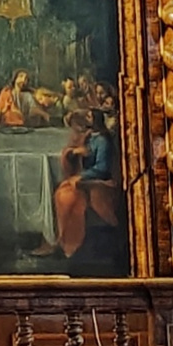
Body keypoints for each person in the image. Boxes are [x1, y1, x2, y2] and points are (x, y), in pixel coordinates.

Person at [33, 108, 121, 260]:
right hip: (85, 180)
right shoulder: (89, 136)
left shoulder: (102, 140)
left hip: (99, 183)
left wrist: (81, 176)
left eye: (89, 116)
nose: (87, 118)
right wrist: (73, 153)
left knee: (67, 197)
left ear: (96, 119)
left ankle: (70, 244)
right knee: (62, 193)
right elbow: (76, 151)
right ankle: (61, 239)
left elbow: (102, 168)